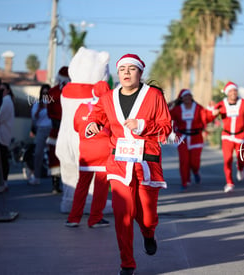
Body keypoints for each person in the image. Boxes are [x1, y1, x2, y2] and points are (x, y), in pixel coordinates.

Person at [86, 54, 172, 275]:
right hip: (118, 163)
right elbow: (97, 114)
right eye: (122, 68)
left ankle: (148, 232)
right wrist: (94, 124)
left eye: (131, 69)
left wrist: (142, 124)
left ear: (140, 73)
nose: (126, 72)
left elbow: (166, 127)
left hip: (147, 163)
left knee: (147, 215)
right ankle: (127, 263)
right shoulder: (108, 97)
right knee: (123, 213)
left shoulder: (153, 96)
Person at [64, 91, 111, 228]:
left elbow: (76, 127)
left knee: (82, 186)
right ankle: (95, 219)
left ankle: (73, 218)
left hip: (86, 153)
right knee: (100, 188)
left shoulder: (82, 107)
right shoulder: (108, 107)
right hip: (103, 153)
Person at [209, 81, 244, 193]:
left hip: (241, 135)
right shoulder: (222, 104)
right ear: (227, 93)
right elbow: (211, 113)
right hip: (227, 136)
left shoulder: (243, 102)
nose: (233, 93)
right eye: (231, 91)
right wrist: (214, 113)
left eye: (235, 90)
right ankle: (229, 182)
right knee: (227, 160)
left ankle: (240, 167)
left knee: (243, 159)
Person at [170, 89, 211, 191]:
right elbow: (166, 115)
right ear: (181, 99)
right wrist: (168, 105)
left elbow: (207, 117)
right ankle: (184, 182)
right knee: (184, 161)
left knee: (194, 162)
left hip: (196, 138)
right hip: (182, 138)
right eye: (185, 96)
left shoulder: (198, 108)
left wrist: (212, 111)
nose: (187, 98)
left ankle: (196, 172)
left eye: (189, 96)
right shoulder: (177, 109)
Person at [47, 66, 70, 194]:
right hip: (69, 130)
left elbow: (48, 111)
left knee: (54, 156)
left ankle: (55, 185)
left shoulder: (51, 92)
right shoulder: (73, 92)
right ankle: (69, 184)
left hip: (55, 128)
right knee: (69, 156)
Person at [29, 84, 52, 185]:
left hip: (51, 129)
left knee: (54, 154)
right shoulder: (37, 103)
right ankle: (36, 176)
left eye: (47, 93)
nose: (45, 95)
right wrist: (40, 109)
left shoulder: (53, 103)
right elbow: (34, 118)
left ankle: (55, 179)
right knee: (38, 153)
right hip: (41, 129)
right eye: (43, 93)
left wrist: (49, 107)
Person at [0, 83, 15, 186]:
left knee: (2, 158)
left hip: (3, 134)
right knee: (3, 157)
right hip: (3, 133)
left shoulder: (7, 101)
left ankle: (4, 180)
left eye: (3, 90)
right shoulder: (6, 101)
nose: (1, 92)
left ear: (7, 90)